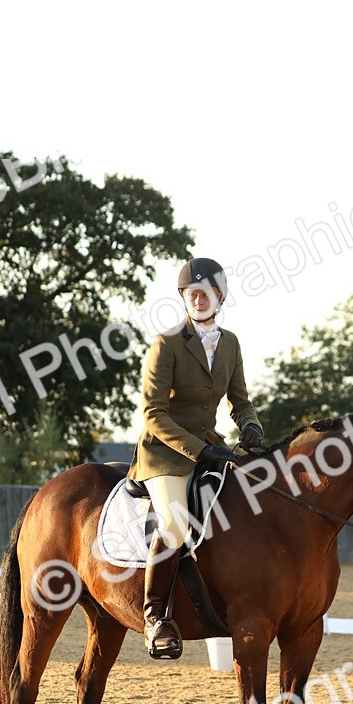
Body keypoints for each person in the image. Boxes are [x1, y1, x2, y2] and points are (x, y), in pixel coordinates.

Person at [127, 257, 263, 659]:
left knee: (249, 508)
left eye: (206, 292)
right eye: (192, 293)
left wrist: (251, 425)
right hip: (165, 454)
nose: (199, 298)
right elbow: (153, 413)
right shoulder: (166, 342)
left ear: (220, 296)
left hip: (211, 445)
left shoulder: (231, 343)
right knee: (173, 521)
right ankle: (155, 618)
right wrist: (201, 450)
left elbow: (241, 400)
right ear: (184, 298)